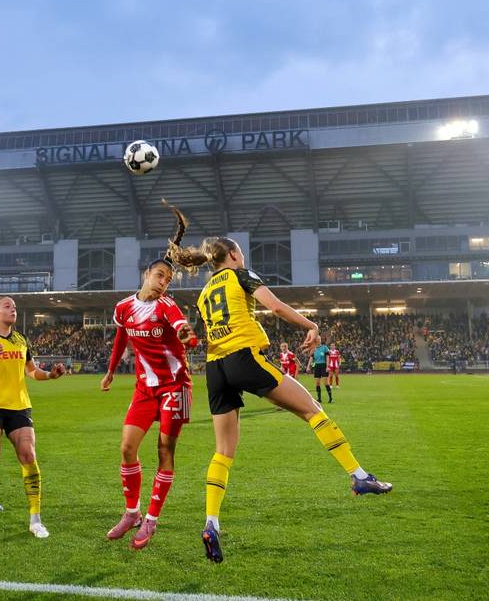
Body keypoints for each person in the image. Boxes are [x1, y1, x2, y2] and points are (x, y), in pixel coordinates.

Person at [162, 203, 391, 565]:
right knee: (313, 411)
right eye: (239, 251)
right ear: (234, 254)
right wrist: (311, 327)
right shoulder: (241, 275)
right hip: (244, 358)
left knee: (223, 451)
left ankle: (211, 523)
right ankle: (359, 476)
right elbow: (277, 306)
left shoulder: (205, 293)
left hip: (215, 368)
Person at [100, 258, 198, 550]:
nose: (163, 282)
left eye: (167, 279)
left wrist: (187, 335)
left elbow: (182, 329)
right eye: (159, 275)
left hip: (175, 386)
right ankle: (132, 513)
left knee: (164, 450)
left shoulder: (166, 306)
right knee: (127, 448)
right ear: (146, 274)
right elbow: (120, 338)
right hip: (144, 389)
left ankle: (151, 519)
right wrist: (110, 371)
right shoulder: (124, 308)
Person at [0, 296, 66, 539]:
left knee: (29, 456)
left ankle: (35, 520)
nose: (13, 309)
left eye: (14, 307)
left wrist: (51, 375)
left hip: (19, 406)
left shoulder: (21, 340)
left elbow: (31, 371)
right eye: (7, 306)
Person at [307, 340, 333, 404]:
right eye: (316, 340)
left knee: (326, 383)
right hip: (316, 366)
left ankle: (330, 398)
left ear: (320, 340)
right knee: (317, 383)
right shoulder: (313, 349)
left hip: (323, 365)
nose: (317, 341)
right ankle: (319, 399)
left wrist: (327, 366)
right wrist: (308, 366)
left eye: (318, 340)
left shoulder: (324, 347)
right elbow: (311, 358)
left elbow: (327, 357)